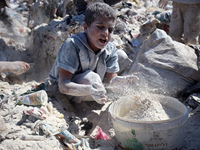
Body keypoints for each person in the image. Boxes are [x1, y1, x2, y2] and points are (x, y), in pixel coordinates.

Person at [45, 2, 138, 110]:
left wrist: (118, 81)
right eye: (100, 27)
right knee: (92, 79)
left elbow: (111, 80)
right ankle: (96, 90)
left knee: (121, 56)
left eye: (110, 30)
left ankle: (98, 90)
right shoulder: (73, 45)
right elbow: (63, 86)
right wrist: (90, 89)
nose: (106, 33)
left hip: (91, 82)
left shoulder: (110, 48)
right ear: (85, 27)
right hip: (64, 89)